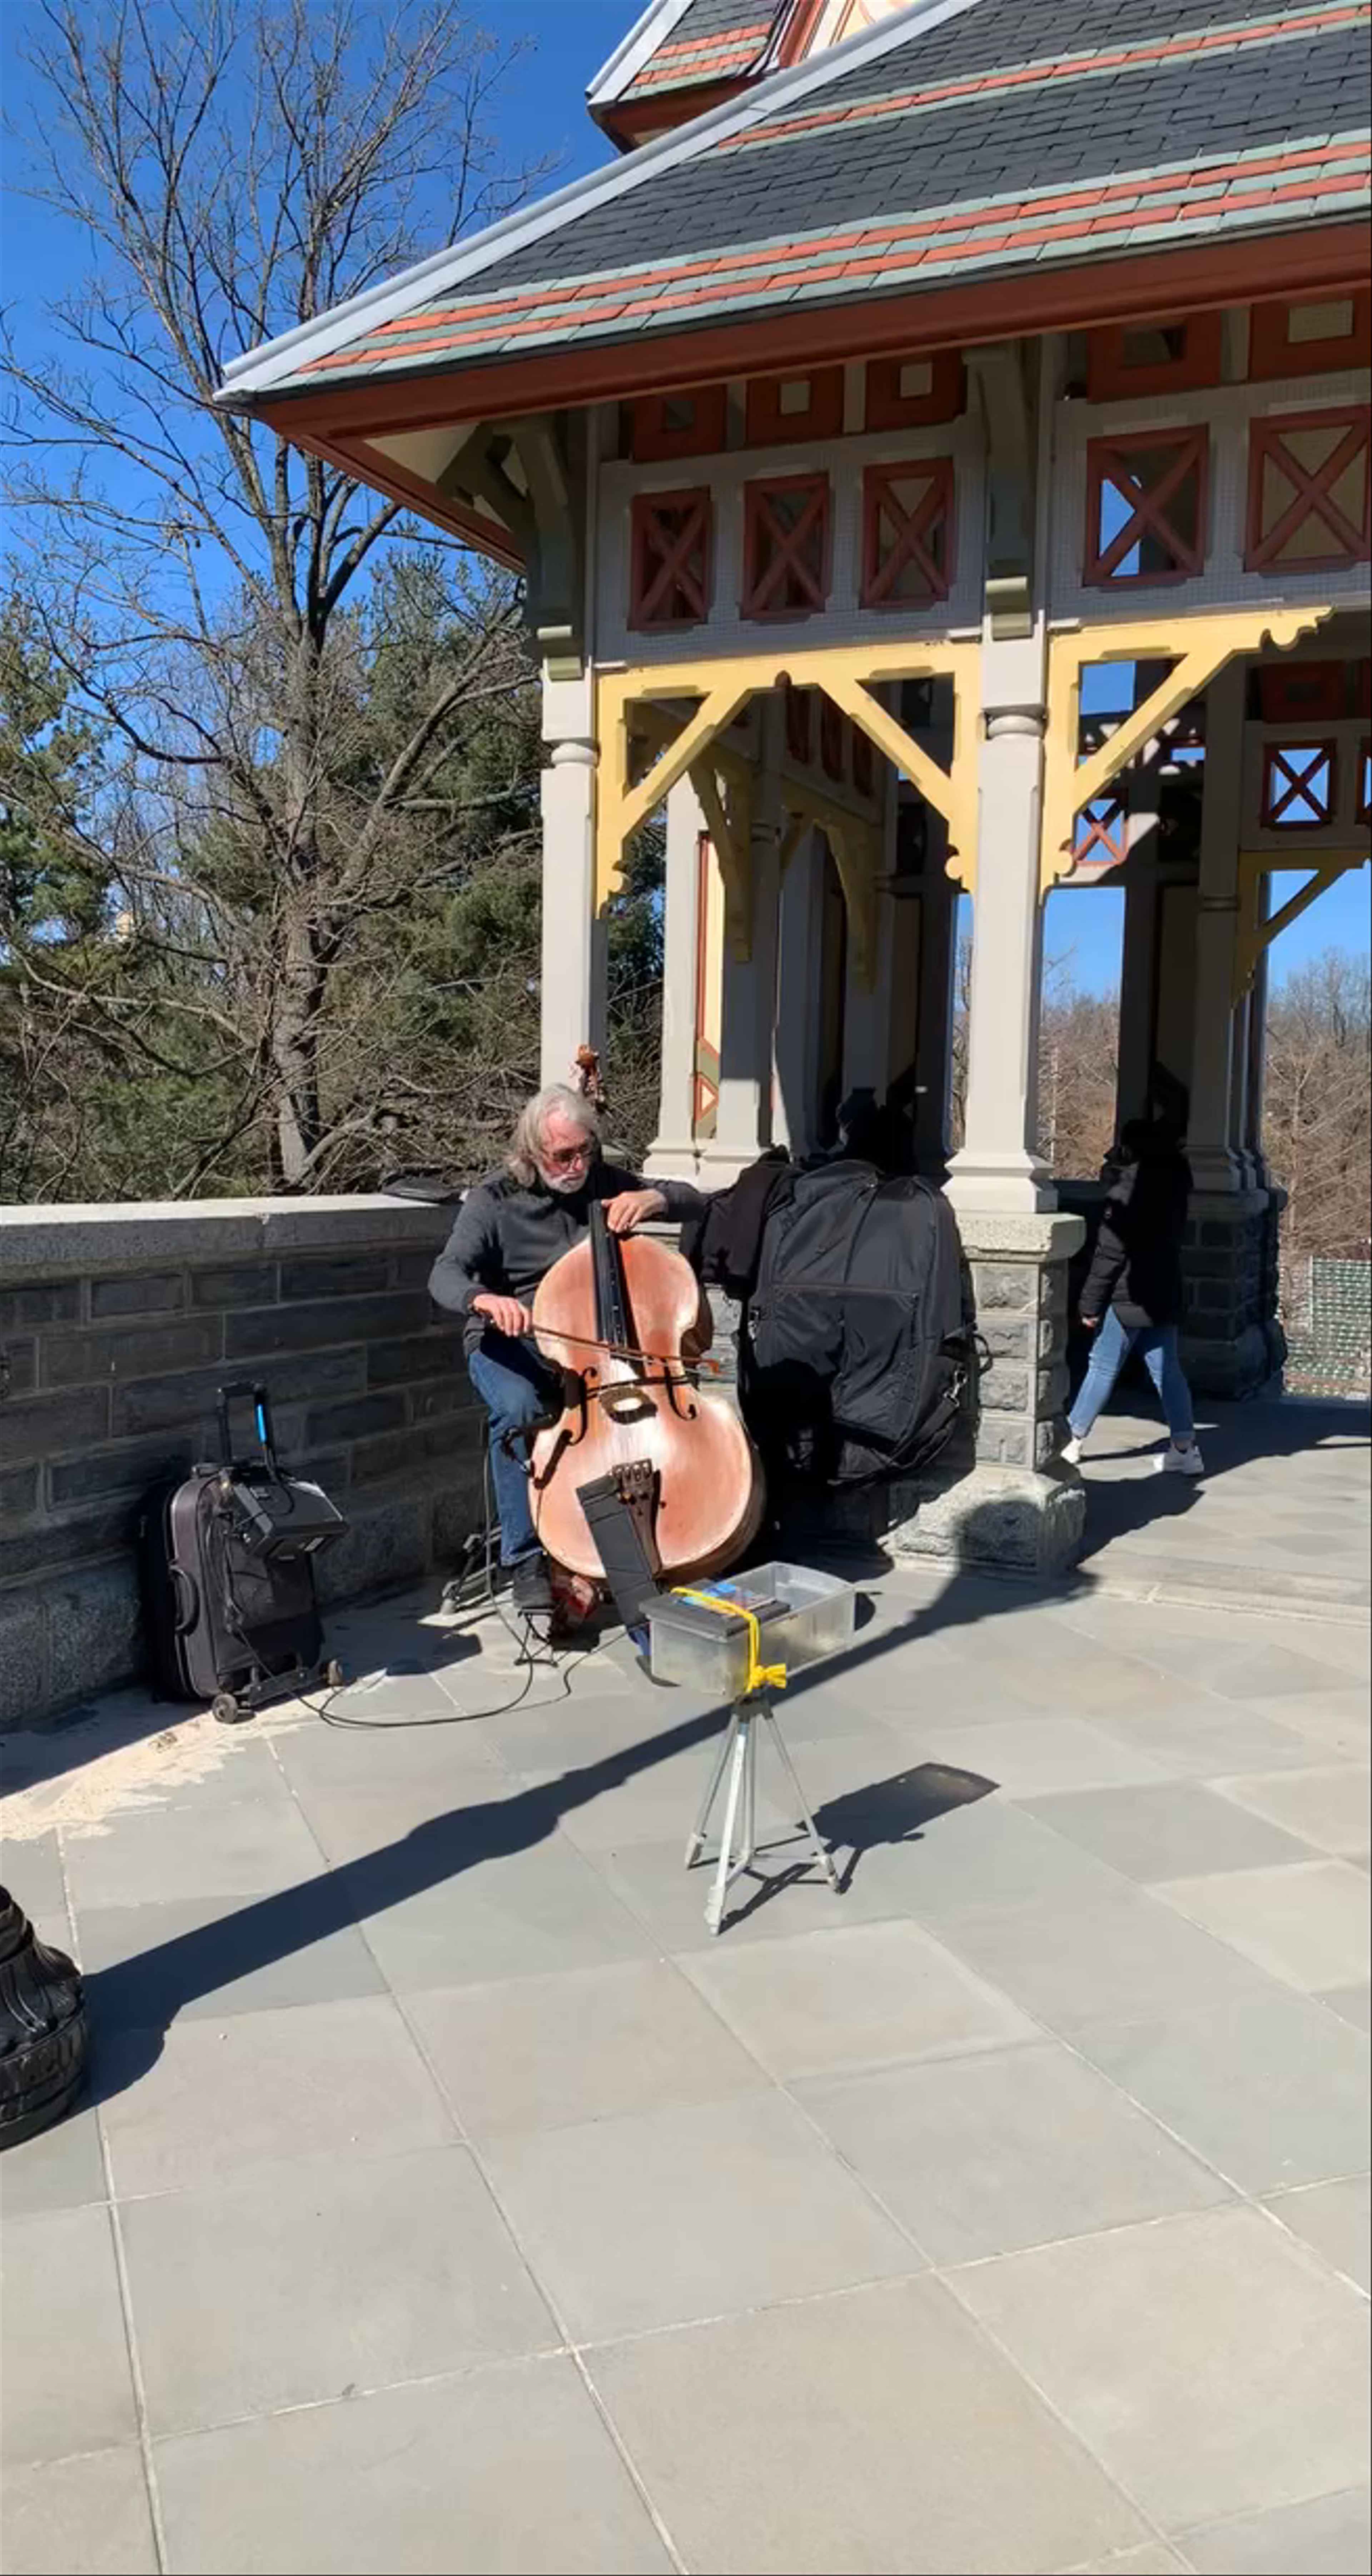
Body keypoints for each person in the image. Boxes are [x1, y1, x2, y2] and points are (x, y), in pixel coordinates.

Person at [428, 1084, 705, 1610]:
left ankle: (618, 1541)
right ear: (532, 1151)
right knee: (521, 1408)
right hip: (512, 1342)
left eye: (585, 1152)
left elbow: (699, 1202)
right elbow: (444, 1274)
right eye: (563, 1156)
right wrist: (483, 1300)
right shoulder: (494, 1200)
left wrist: (655, 1198)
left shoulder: (604, 1183)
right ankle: (525, 1555)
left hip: (593, 1352)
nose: (577, 1165)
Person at [1063, 1115, 1204, 1476]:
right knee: (1167, 1370)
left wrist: (1090, 1303)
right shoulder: (1176, 1183)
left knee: (1102, 1365)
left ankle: (1073, 1440)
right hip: (1166, 1289)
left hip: (1128, 1293)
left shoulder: (1126, 1192)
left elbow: (1109, 1254)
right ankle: (1185, 1448)